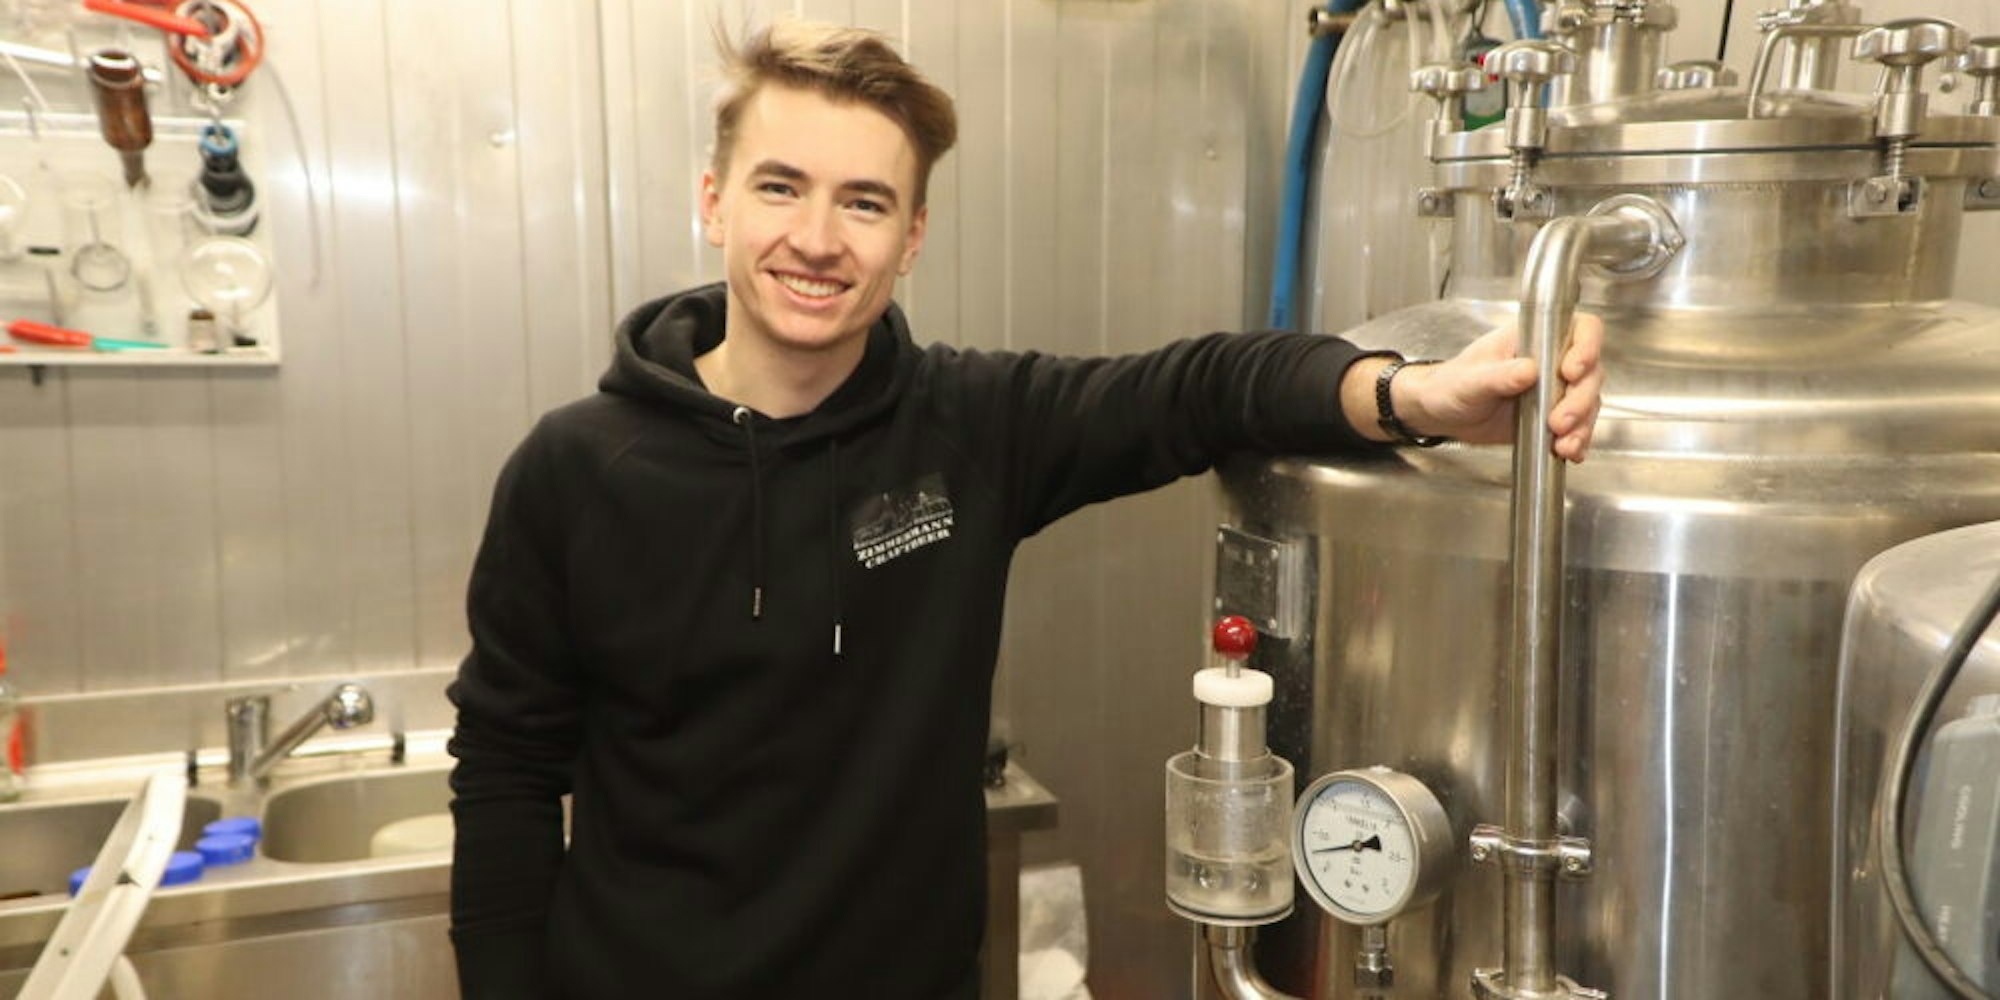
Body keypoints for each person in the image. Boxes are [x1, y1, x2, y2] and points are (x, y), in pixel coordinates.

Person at [446, 19, 1603, 1000]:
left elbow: (1201, 388)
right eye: (779, 186)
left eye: (863, 202)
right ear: (714, 201)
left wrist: (1409, 395)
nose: (816, 239)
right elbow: (504, 773)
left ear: (911, 237)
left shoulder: (968, 427)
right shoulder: (575, 469)